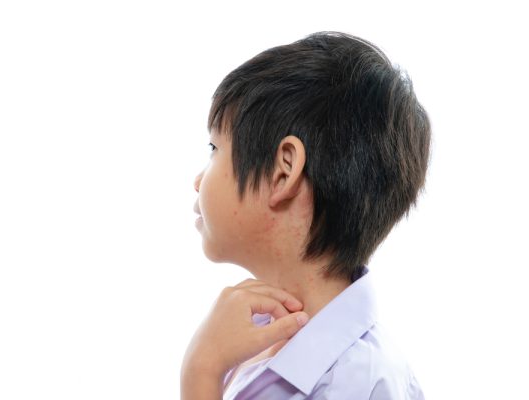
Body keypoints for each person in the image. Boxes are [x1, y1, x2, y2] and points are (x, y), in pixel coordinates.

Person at [181, 31, 430, 400]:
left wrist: (200, 373)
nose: (198, 180)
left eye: (215, 147)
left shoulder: (358, 382)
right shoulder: (256, 331)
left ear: (283, 171)